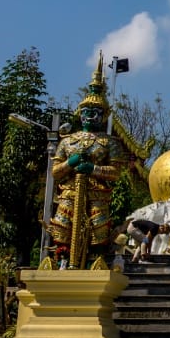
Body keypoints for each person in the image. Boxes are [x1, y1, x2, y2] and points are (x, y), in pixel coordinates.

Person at [48, 54, 126, 268]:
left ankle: (94, 261)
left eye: (95, 112)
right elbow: (55, 172)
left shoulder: (109, 142)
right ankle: (63, 261)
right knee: (63, 228)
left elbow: (115, 173)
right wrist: (70, 163)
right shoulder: (68, 141)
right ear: (79, 113)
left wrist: (93, 168)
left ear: (103, 116)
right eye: (86, 112)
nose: (89, 116)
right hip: (70, 192)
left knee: (98, 231)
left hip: (96, 193)